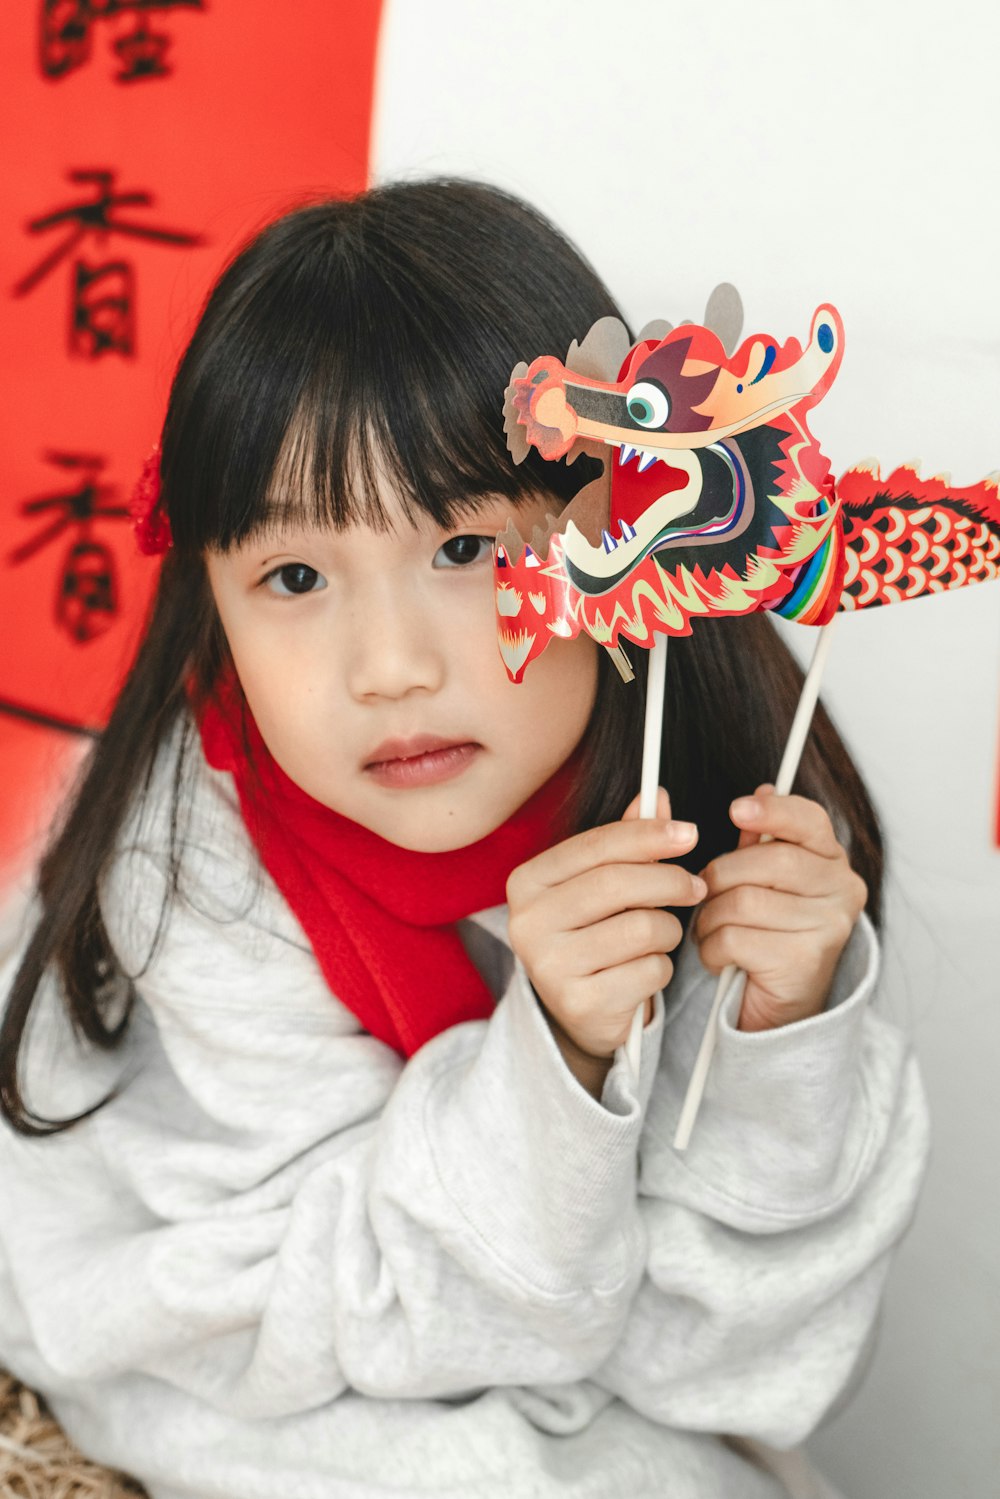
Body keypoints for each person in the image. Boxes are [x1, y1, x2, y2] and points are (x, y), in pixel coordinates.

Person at [0, 180, 928, 1499]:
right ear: (205, 599)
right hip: (251, 1361)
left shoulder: (715, 817)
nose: (390, 668)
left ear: (628, 522)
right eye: (297, 578)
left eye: (468, 548)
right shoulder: (190, 870)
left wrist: (779, 1042)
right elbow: (358, 1332)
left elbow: (740, 1376)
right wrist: (553, 1052)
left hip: (531, 1361)